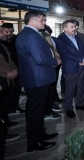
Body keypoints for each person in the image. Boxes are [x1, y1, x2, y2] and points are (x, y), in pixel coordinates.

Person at [15, 11, 61, 152]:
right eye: (42, 19)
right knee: (35, 111)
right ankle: (34, 143)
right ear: (32, 20)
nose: (44, 22)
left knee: (37, 110)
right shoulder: (30, 35)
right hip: (37, 79)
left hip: (37, 78)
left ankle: (40, 134)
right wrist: (56, 61)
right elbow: (40, 59)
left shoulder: (31, 34)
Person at [56, 20, 84, 118]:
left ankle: (79, 104)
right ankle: (69, 108)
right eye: (72, 27)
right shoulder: (61, 39)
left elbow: (83, 49)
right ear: (65, 28)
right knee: (70, 89)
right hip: (71, 67)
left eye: (75, 26)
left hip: (82, 65)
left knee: (81, 87)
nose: (75, 28)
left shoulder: (76, 37)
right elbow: (65, 53)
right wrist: (80, 59)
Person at [0, 25, 20, 143]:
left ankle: (6, 123)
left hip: (8, 79)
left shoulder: (3, 45)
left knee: (5, 105)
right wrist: (6, 74)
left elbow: (10, 60)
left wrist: (14, 69)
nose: (6, 34)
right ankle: (3, 133)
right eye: (3, 31)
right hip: (3, 79)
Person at [0, 23, 24, 114]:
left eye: (10, 31)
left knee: (15, 90)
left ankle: (13, 107)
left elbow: (11, 58)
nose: (8, 34)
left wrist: (15, 69)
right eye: (5, 31)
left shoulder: (11, 41)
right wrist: (6, 74)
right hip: (4, 76)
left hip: (14, 70)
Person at [40, 25, 62, 120]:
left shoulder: (51, 39)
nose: (47, 35)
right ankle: (47, 110)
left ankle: (51, 103)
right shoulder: (41, 39)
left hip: (55, 65)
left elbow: (55, 50)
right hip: (47, 67)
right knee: (47, 90)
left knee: (53, 86)